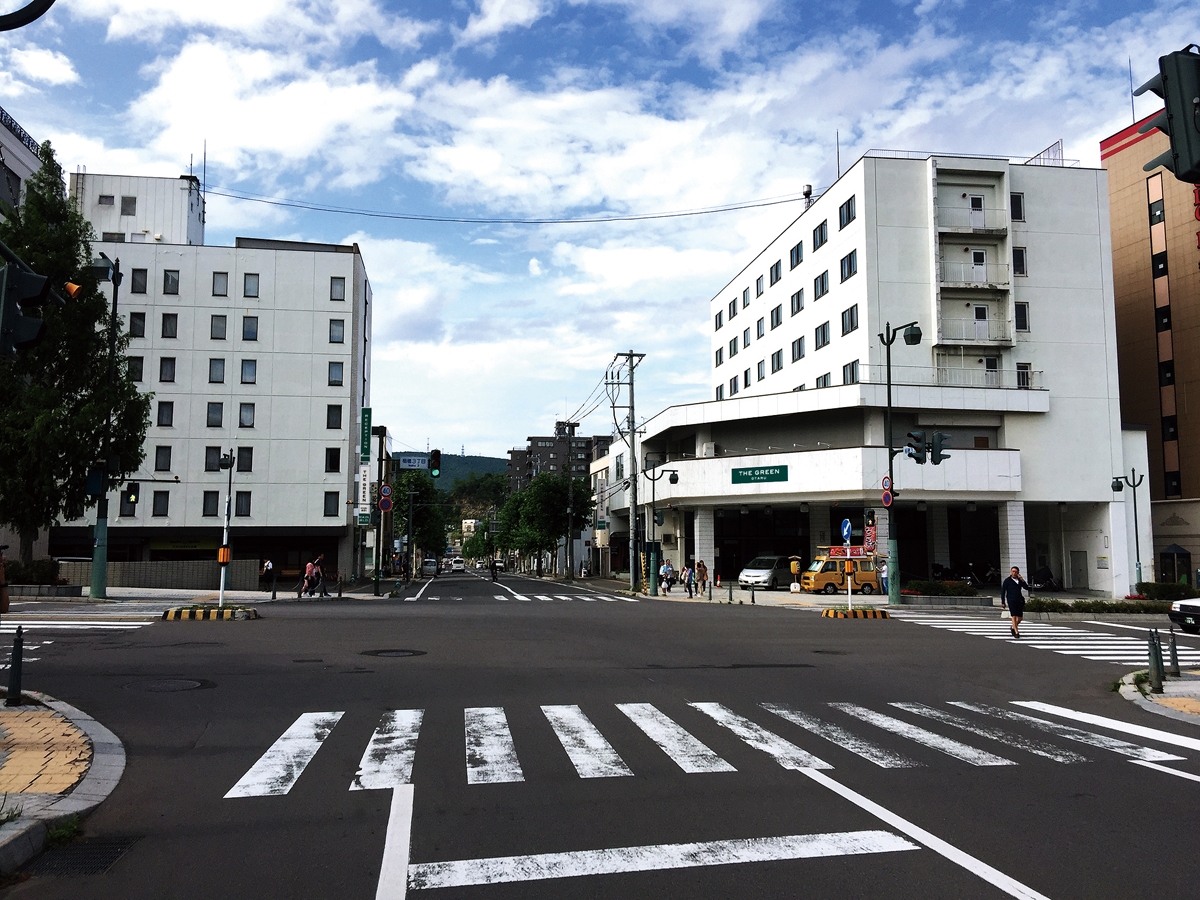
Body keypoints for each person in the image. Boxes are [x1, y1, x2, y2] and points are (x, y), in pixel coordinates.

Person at [1001, 566, 1031, 638]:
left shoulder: (1019, 580)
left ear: (1018, 573)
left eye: (1015, 572)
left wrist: (1022, 580)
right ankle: (1016, 632)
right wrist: (1003, 602)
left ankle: (1013, 627)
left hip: (1019, 599)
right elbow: (1003, 591)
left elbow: (1026, 588)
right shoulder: (1007, 581)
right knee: (1013, 616)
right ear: (1011, 572)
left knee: (1020, 618)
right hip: (1011, 599)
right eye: (1013, 571)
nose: (1014, 573)